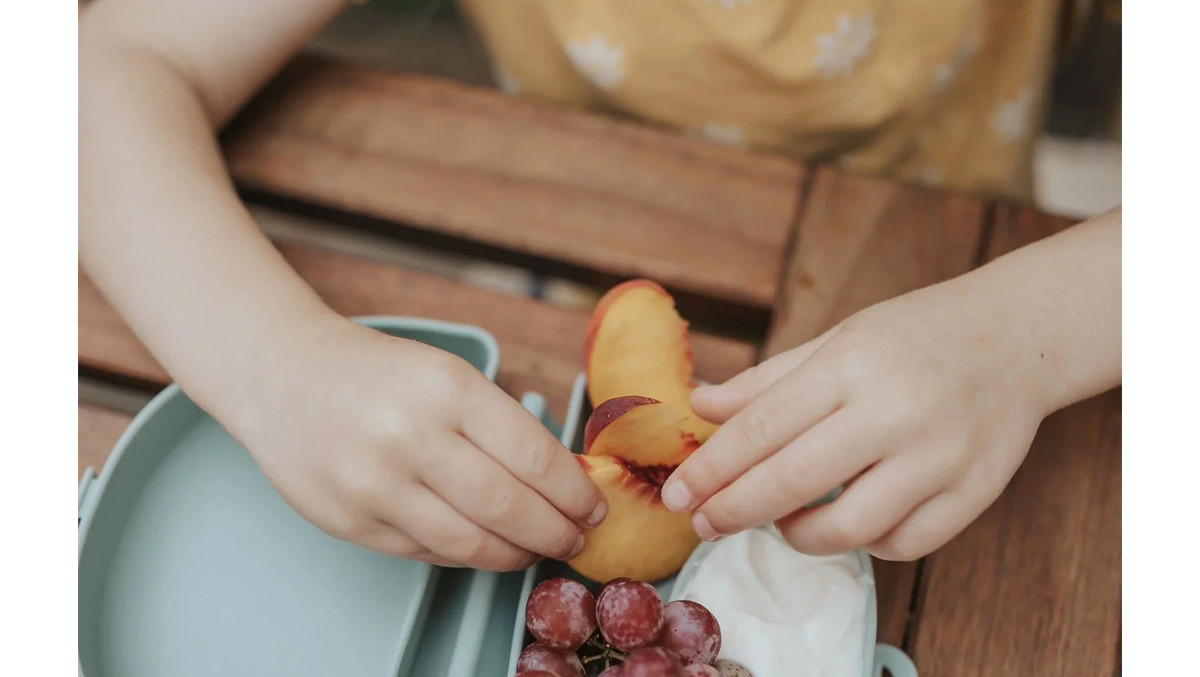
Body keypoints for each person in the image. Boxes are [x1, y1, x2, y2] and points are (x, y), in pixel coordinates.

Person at [79, 0, 1120, 570]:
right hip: (570, 272)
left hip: (967, 318)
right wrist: (276, 364)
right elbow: (89, 78)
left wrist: (1021, 335)